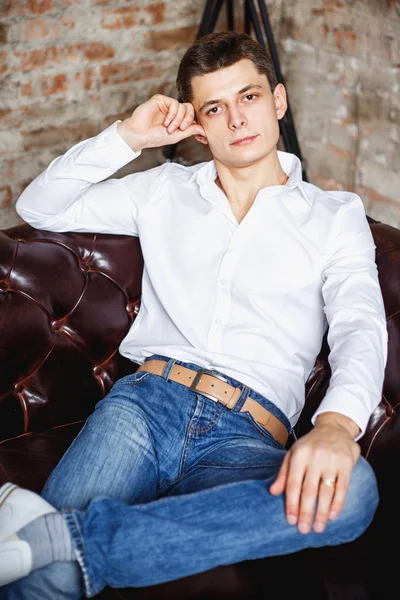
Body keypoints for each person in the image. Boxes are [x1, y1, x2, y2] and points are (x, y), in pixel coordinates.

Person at [0, 30, 388, 599]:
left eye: (249, 97)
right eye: (215, 107)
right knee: (44, 581)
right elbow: (37, 205)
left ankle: (58, 538)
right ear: (198, 125)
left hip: (249, 435)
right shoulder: (162, 190)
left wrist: (334, 427)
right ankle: (58, 545)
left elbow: (360, 324)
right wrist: (128, 135)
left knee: (353, 491)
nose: (236, 119)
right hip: (143, 408)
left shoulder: (335, 216)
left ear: (278, 100)